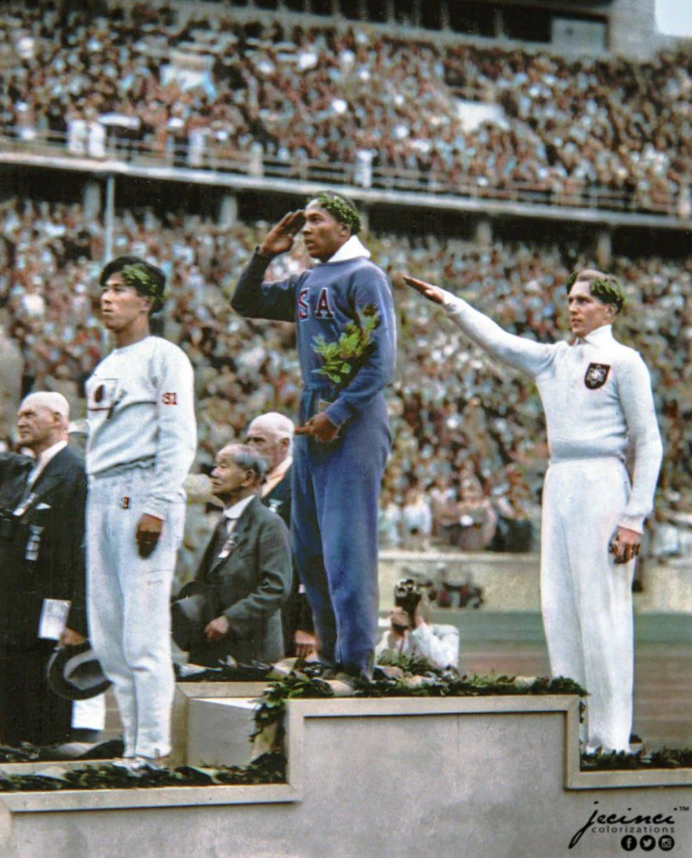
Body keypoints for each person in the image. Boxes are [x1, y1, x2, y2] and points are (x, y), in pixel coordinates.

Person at [404, 268, 662, 753]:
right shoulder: (553, 359)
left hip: (603, 480)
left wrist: (634, 517)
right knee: (559, 607)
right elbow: (498, 340)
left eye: (585, 300)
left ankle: (610, 739)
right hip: (560, 479)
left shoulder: (625, 362)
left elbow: (649, 443)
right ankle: (576, 729)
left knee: (601, 610)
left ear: (610, 309)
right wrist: (451, 303)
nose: (574, 307)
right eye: (569, 299)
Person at [231, 192, 396, 680]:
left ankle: (357, 660)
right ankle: (328, 652)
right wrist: (264, 254)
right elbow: (246, 302)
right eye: (303, 222)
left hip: (353, 412)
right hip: (312, 408)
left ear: (345, 229)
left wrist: (340, 412)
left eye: (316, 220)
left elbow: (381, 359)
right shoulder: (308, 279)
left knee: (347, 543)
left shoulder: (364, 276)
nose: (306, 229)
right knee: (310, 544)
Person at [85, 255, 196, 770]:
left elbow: (178, 433)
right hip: (102, 492)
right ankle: (131, 745)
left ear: (146, 301)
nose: (107, 298)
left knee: (143, 631)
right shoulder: (105, 367)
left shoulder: (164, 357)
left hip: (141, 490)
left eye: (120, 289)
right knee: (108, 634)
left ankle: (152, 749)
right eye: (105, 289)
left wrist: (156, 503)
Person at [0, 392, 88, 747]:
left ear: (57, 420)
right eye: (19, 415)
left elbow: (83, 552)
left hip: (50, 612)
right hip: (13, 613)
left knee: (44, 710)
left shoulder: (75, 473)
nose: (21, 422)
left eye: (30, 415)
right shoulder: (23, 470)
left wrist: (78, 621)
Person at [181, 443, 292, 667]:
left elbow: (276, 587)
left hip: (252, 654)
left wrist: (230, 619)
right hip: (214, 649)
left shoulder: (269, 524)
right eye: (215, 466)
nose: (214, 473)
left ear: (248, 477)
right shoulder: (226, 522)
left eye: (223, 466)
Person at [245, 412, 317, 659]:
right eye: (249, 441)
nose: (251, 448)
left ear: (284, 444)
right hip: (255, 606)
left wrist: (308, 623)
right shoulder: (253, 484)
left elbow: (313, 551)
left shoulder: (302, 482)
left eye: (259, 441)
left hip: (288, 609)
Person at [375, 579, 460, 671]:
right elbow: (375, 665)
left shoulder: (446, 632)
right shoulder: (393, 636)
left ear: (429, 606)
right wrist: (393, 636)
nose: (411, 608)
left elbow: (443, 663)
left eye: (418, 603)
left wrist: (419, 626)